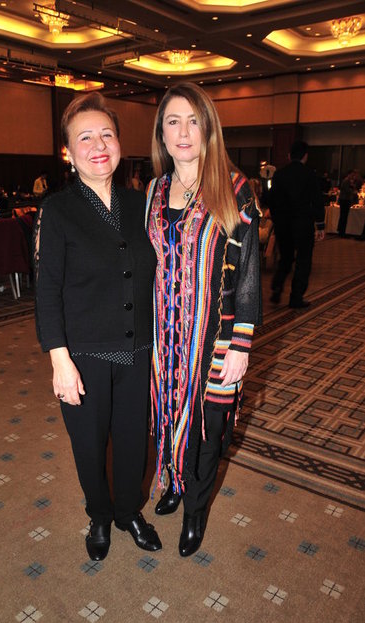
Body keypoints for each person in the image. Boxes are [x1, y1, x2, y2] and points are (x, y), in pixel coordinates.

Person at [34, 92, 161, 562]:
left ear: (120, 143)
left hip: (138, 348)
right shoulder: (58, 210)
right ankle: (100, 515)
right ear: (68, 152)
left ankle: (128, 511)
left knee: (133, 440)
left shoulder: (140, 203)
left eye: (106, 134)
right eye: (85, 137)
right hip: (83, 354)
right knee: (89, 445)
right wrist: (59, 360)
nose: (98, 145)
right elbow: (47, 291)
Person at [145, 82, 261, 557]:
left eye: (194, 121)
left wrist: (241, 345)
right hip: (162, 341)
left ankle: (195, 510)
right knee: (167, 413)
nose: (183, 131)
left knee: (209, 427)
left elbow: (249, 272)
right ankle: (174, 482)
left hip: (214, 340)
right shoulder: (153, 190)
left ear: (209, 129)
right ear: (162, 133)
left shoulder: (234, 189)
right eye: (173, 121)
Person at [268, 140, 325, 308]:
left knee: (285, 258)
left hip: (283, 225)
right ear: (305, 156)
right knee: (303, 261)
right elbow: (317, 200)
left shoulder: (279, 174)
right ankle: (296, 297)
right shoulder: (309, 174)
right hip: (303, 225)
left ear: (289, 156)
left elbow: (271, 200)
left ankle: (277, 286)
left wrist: (277, 219)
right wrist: (320, 225)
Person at [338, 171, 358, 238]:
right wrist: (353, 191)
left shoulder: (348, 181)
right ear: (349, 174)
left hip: (345, 200)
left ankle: (341, 231)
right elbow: (347, 190)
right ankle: (342, 232)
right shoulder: (346, 181)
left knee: (343, 216)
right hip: (344, 200)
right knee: (344, 216)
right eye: (352, 175)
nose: (353, 177)